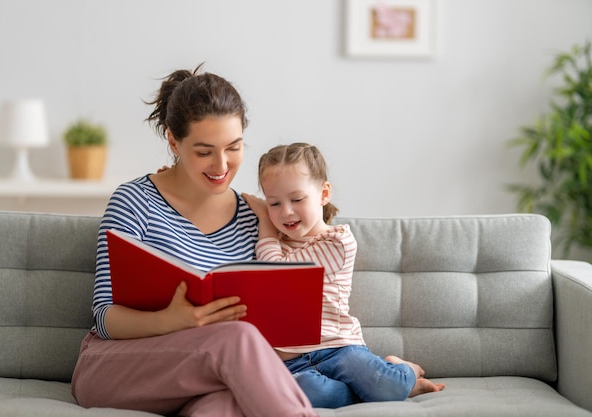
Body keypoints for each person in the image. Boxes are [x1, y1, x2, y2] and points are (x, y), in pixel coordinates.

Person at [70, 66, 319, 417]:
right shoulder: (134, 202)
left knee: (226, 406)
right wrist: (171, 321)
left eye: (233, 147)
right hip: (114, 366)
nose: (222, 164)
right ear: (174, 141)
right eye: (204, 151)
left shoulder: (255, 217)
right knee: (236, 340)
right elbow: (104, 318)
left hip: (208, 374)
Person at [242, 143, 445, 409]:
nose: (286, 212)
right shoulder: (274, 245)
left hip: (340, 349)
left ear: (323, 193)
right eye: (274, 203)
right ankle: (366, 389)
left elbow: (279, 274)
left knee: (387, 386)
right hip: (292, 361)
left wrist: (265, 221)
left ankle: (403, 371)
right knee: (305, 392)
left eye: (297, 199)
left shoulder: (337, 242)